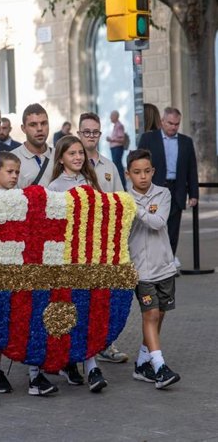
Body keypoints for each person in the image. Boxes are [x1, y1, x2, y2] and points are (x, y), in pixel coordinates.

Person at [0, 151, 59, 396]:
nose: (14, 176)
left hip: (27, 271)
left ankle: (34, 374)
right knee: (0, 321)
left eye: (17, 172)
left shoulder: (23, 197)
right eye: (9, 172)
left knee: (32, 319)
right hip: (1, 272)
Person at [47, 135, 107, 392]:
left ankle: (91, 365)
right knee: (70, 311)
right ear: (61, 158)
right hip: (65, 258)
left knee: (88, 311)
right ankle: (70, 361)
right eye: (71, 153)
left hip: (89, 257)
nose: (78, 157)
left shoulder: (90, 182)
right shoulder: (55, 186)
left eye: (80, 152)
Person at [76, 112, 129, 364]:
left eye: (95, 132)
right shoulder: (71, 163)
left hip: (105, 243)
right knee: (79, 297)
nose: (91, 136)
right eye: (86, 131)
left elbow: (121, 201)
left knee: (103, 297)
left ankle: (105, 344)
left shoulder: (109, 166)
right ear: (78, 133)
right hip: (76, 245)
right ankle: (78, 349)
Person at [126, 149, 181, 389]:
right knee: (150, 314)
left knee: (160, 314)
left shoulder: (163, 193)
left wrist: (135, 208)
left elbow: (158, 223)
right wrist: (131, 205)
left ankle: (142, 362)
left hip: (165, 267)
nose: (143, 176)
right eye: (137, 172)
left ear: (153, 171)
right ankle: (160, 366)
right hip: (142, 270)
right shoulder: (124, 198)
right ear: (128, 174)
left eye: (147, 171)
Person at [138, 107, 198, 263]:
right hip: (154, 189)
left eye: (176, 124)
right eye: (170, 123)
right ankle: (152, 261)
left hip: (176, 190)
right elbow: (137, 164)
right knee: (153, 226)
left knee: (172, 229)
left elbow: (191, 169)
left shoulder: (186, 142)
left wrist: (193, 194)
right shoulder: (148, 139)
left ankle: (168, 260)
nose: (173, 127)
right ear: (162, 121)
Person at [13, 104, 55, 188]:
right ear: (23, 128)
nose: (39, 128)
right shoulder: (12, 158)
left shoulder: (59, 156)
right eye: (33, 124)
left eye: (43, 123)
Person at [106, 110, 126, 187]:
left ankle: (122, 186)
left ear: (115, 116)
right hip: (115, 149)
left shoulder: (119, 126)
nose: (110, 117)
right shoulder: (116, 126)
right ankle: (119, 185)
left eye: (111, 116)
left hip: (117, 149)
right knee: (117, 167)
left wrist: (111, 140)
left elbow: (122, 139)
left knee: (118, 167)